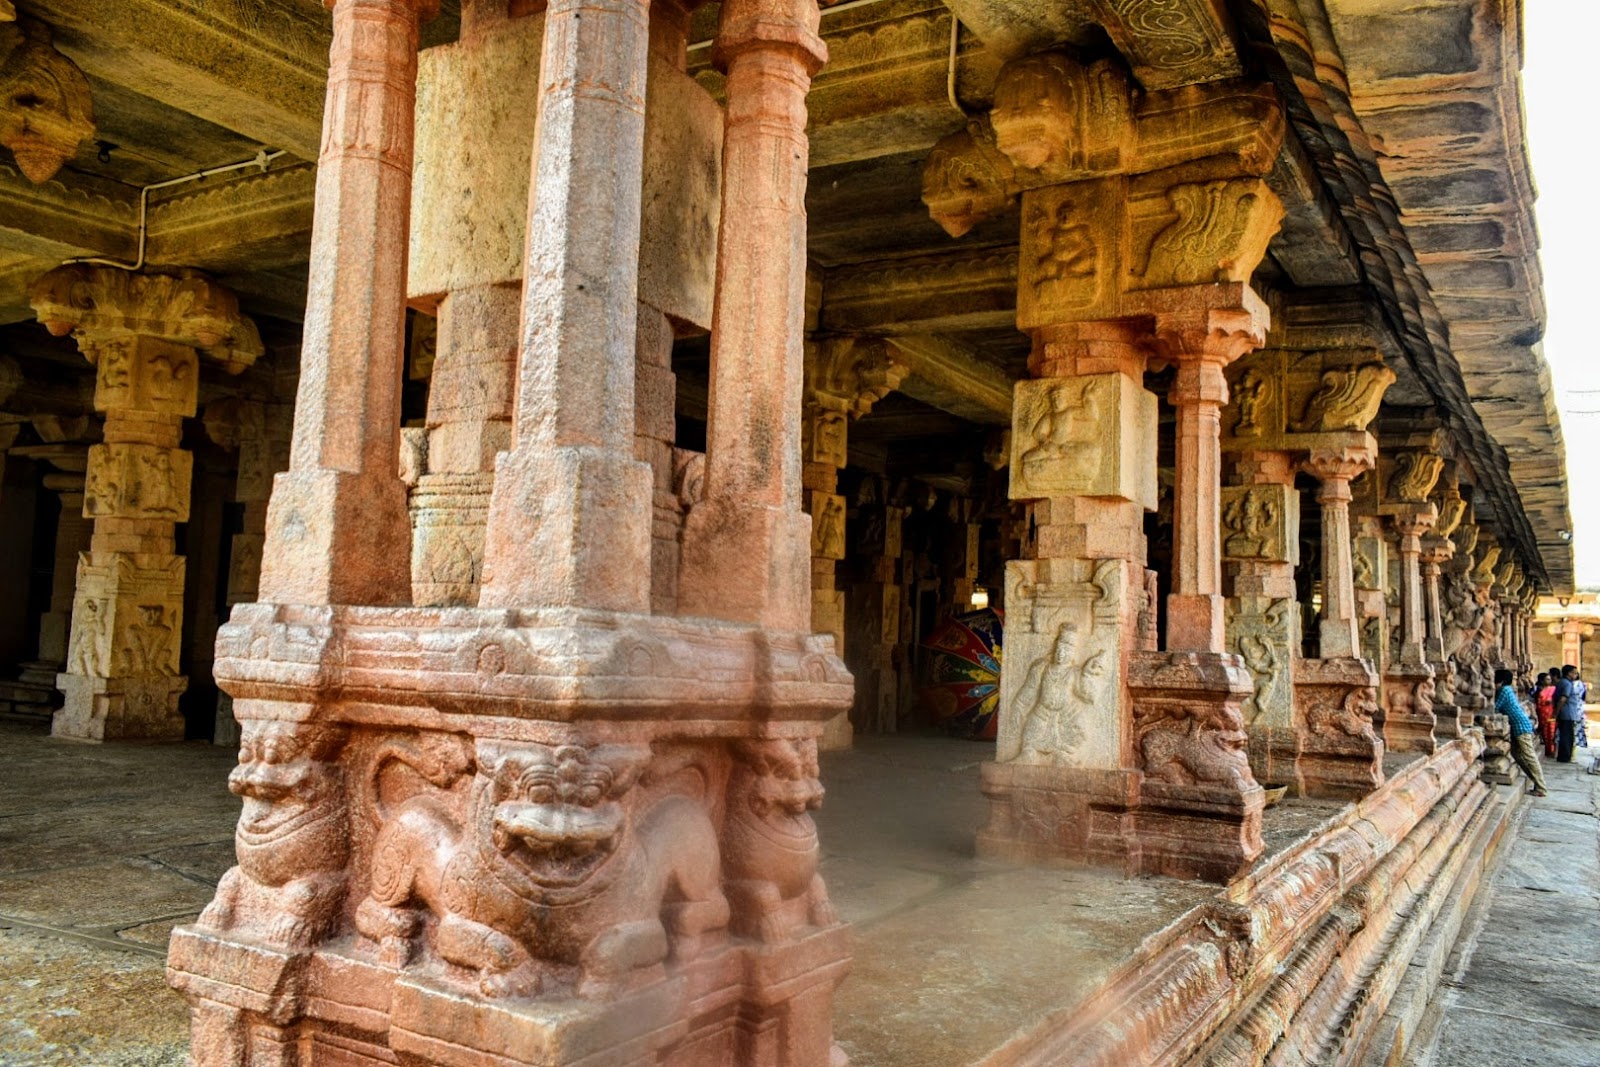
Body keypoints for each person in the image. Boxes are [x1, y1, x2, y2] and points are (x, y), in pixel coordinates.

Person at [1496, 668, 1549, 797]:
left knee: (1529, 756)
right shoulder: (1508, 690)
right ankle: (1536, 780)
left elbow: (1495, 707)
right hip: (1519, 725)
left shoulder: (1504, 690)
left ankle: (1541, 787)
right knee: (1516, 754)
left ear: (1501, 681)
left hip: (1521, 726)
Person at [1555, 664, 1584, 763]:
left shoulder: (1562, 682)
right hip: (1567, 713)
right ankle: (1565, 757)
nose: (1576, 675)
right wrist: (1556, 712)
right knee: (1567, 736)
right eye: (1574, 673)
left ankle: (1563, 756)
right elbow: (1563, 698)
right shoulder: (1567, 683)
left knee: (1564, 735)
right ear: (1569, 673)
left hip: (1565, 713)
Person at [1535, 672, 1558, 757]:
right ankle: (1547, 751)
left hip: (1551, 714)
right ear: (1542, 680)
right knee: (1545, 732)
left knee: (1552, 733)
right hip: (1542, 714)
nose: (1549, 681)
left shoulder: (1553, 689)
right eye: (1547, 679)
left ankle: (1552, 751)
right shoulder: (1539, 690)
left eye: (1550, 679)